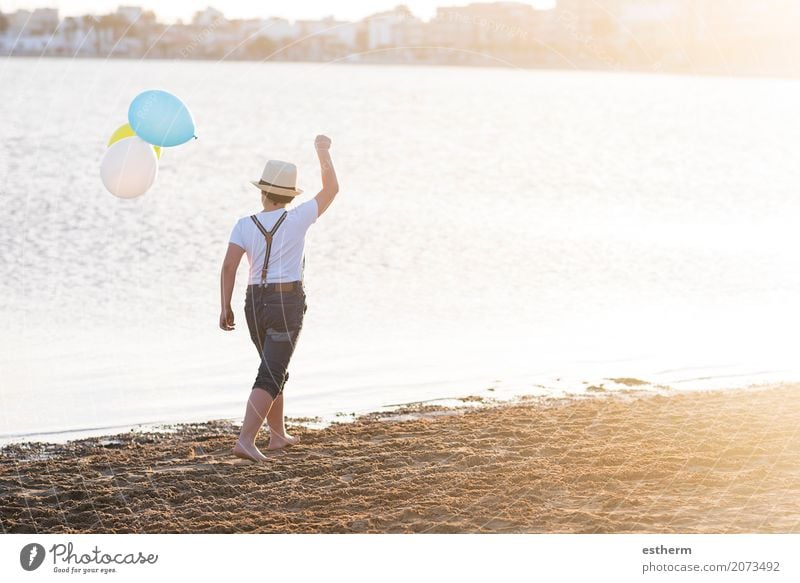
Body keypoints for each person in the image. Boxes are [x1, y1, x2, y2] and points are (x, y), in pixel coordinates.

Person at [219, 135, 338, 462]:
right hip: (285, 303)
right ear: (288, 194)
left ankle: (277, 435)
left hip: (253, 304)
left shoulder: (244, 225)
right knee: (271, 372)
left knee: (273, 367)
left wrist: (224, 306)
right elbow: (331, 190)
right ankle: (245, 439)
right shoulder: (299, 217)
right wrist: (323, 153)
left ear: (263, 191)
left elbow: (229, 267)